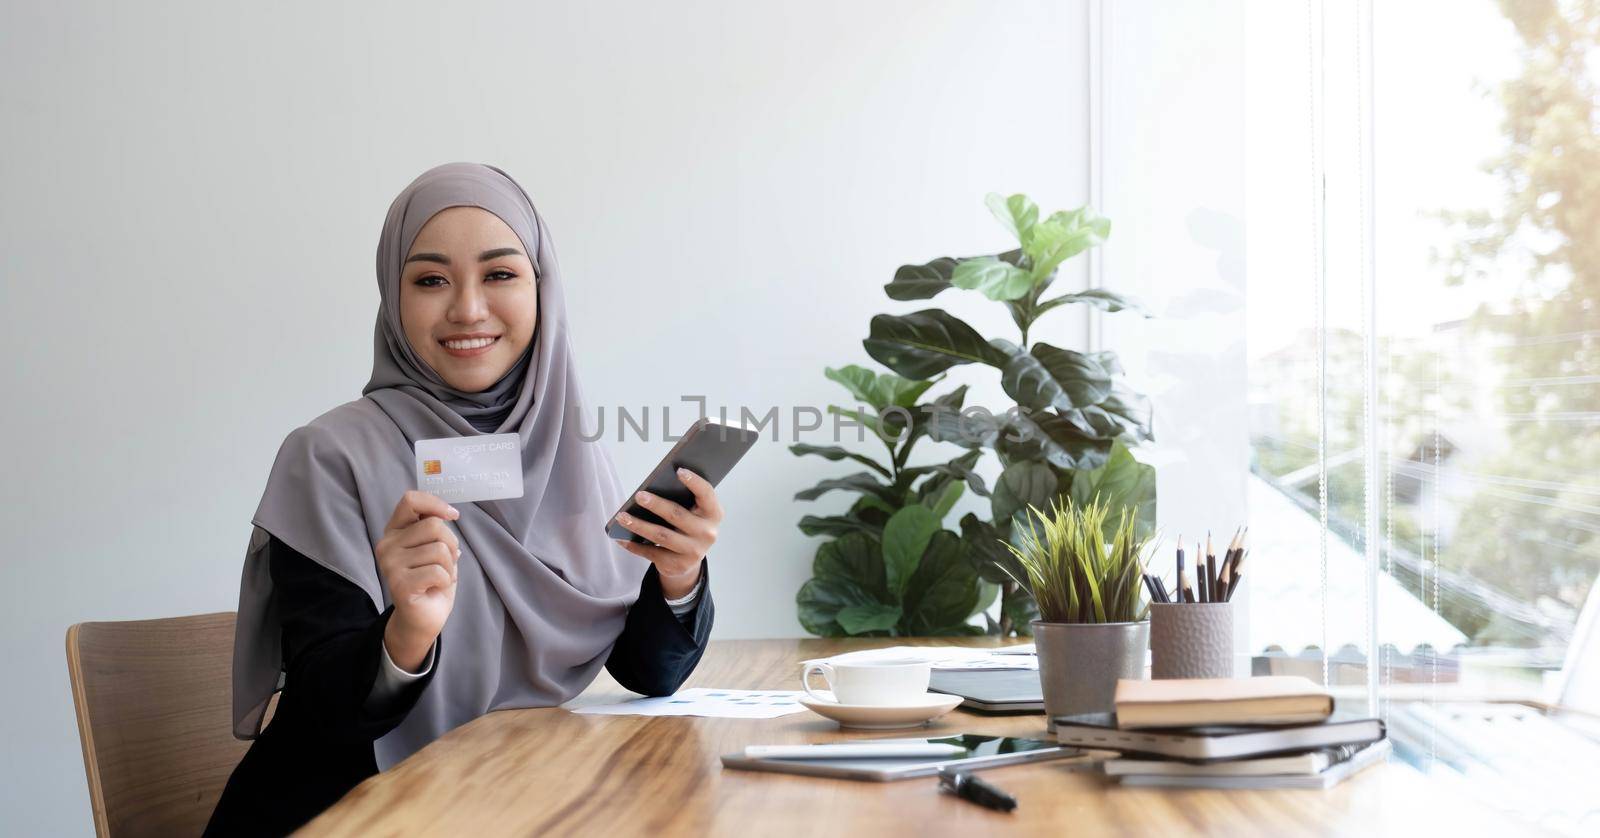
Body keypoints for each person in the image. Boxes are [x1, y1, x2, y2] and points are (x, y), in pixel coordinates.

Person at [205, 163, 721, 836]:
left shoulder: (567, 449)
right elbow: (319, 715)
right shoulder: (329, 456)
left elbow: (643, 671)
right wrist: (407, 632)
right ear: (393, 297)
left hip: (514, 803)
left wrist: (677, 575)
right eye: (430, 280)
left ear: (544, 290)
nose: (468, 309)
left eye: (500, 275)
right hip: (347, 818)